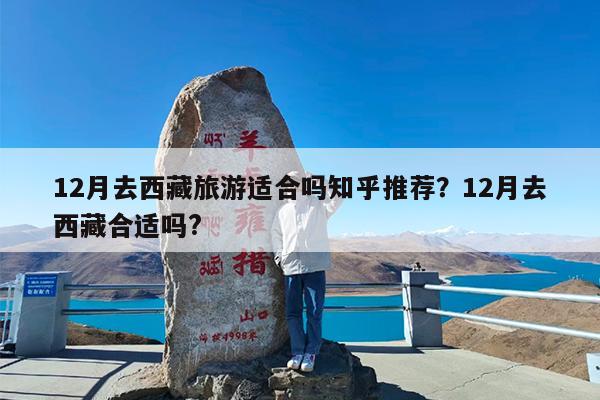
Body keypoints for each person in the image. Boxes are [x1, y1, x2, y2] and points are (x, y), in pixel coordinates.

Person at [270, 170, 343, 372]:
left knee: (314, 311)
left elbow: (338, 196)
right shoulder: (283, 211)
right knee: (292, 312)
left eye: (295, 182)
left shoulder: (318, 205)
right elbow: (276, 235)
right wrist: (279, 257)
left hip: (315, 267)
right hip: (291, 267)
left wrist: (321, 180)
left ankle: (311, 352)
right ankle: (297, 352)